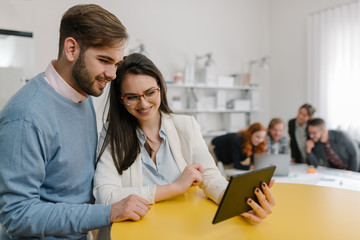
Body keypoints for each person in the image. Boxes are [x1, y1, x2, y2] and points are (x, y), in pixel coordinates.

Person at [0, 4, 150, 240]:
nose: (112, 74)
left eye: (116, 64)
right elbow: (17, 214)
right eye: (104, 60)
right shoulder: (26, 116)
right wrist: (107, 213)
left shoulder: (82, 95)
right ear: (71, 49)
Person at [93, 53, 276, 239]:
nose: (143, 103)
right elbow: (106, 195)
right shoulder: (111, 134)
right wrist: (175, 187)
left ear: (160, 88)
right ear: (120, 99)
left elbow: (211, 177)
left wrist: (239, 202)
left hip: (179, 231)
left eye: (150, 92)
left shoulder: (186, 126)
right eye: (132, 97)